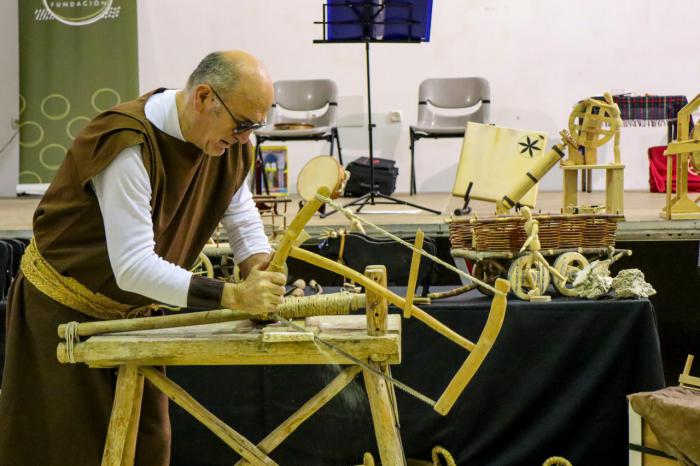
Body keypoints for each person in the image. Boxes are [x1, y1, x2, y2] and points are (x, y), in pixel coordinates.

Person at [0, 50, 287, 466]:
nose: (244, 138)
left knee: (145, 447)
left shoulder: (229, 145)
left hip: (132, 315)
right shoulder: (125, 144)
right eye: (241, 125)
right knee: (68, 449)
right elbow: (133, 266)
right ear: (204, 97)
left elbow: (239, 213)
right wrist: (233, 297)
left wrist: (258, 265)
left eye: (253, 127)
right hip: (62, 316)